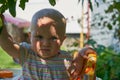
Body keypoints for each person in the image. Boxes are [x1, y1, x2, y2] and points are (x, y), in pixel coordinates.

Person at [0, 8, 97, 80]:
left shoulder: (66, 60)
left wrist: (86, 52)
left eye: (53, 38)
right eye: (39, 37)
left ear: (62, 40)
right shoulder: (27, 53)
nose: (46, 43)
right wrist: (1, 25)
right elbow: (8, 45)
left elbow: (86, 77)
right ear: (30, 37)